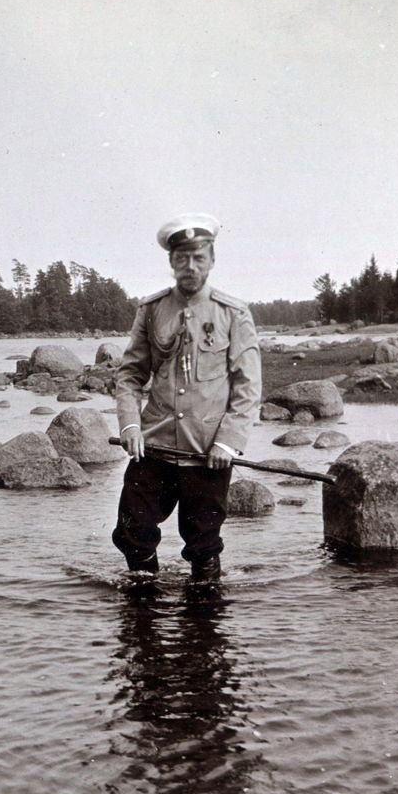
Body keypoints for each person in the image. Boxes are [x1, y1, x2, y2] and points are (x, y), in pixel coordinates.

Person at [112, 213, 262, 580]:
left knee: (203, 544)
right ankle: (142, 613)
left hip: (207, 454)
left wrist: (227, 444)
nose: (190, 266)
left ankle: (205, 622)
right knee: (133, 534)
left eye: (198, 258)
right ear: (171, 262)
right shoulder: (152, 310)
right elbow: (130, 375)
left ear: (211, 261)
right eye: (182, 258)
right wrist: (130, 425)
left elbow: (248, 387)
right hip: (154, 447)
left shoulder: (234, 313)